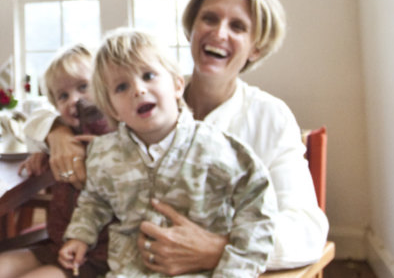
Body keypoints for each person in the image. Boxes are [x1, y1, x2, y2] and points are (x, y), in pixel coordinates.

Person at [44, 0, 328, 273]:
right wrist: (56, 131)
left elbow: (307, 230)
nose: (219, 33)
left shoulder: (269, 118)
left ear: (255, 48)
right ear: (191, 28)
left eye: (238, 27)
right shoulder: (148, 92)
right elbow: (69, 96)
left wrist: (219, 248)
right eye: (209, 18)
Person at [58, 29, 273, 277]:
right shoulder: (104, 153)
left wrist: (236, 267)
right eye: (122, 87)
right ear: (113, 110)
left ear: (177, 85)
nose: (138, 90)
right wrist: (80, 236)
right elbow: (95, 200)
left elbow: (257, 200)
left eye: (148, 76)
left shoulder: (216, 148)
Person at [0, 44, 113, 278]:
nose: (74, 99)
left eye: (83, 87)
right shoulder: (62, 137)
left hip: (99, 256)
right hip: (58, 243)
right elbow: (36, 123)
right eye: (63, 95)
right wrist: (44, 150)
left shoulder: (116, 138)